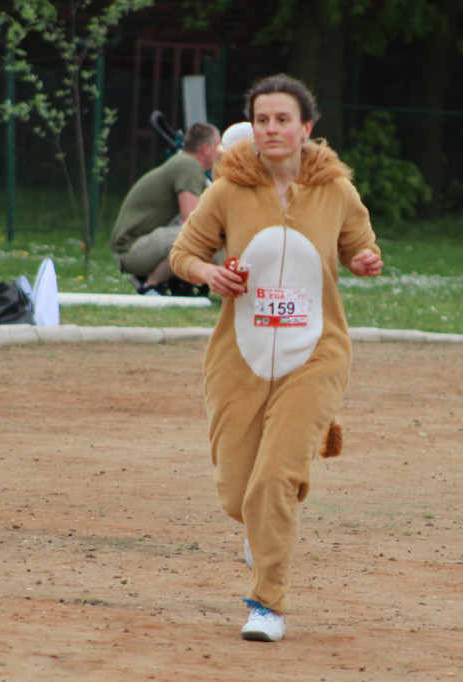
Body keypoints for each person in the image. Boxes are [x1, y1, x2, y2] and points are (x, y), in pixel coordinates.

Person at [170, 74, 383, 642]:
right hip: (238, 357)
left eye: (283, 119)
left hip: (316, 355)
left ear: (306, 128)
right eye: (262, 119)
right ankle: (264, 521)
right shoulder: (228, 190)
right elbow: (184, 253)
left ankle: (267, 604)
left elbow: (361, 242)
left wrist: (363, 259)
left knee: (273, 482)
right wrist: (209, 272)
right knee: (240, 492)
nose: (272, 129)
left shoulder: (336, 190)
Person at [109, 122, 220, 295]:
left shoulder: (184, 163)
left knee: (209, 236)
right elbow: (192, 220)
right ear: (206, 148)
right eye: (218, 146)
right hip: (131, 250)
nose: (221, 152)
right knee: (198, 237)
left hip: (139, 244)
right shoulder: (188, 166)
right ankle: (150, 285)